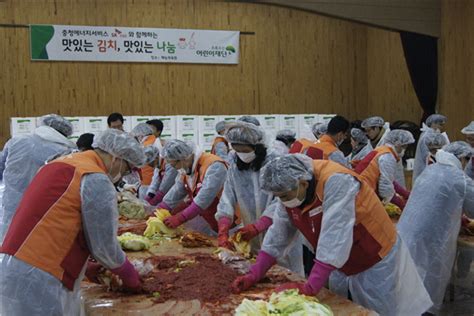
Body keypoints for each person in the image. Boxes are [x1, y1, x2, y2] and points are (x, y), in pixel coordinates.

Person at [232, 154, 432, 316]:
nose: (282, 201)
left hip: (375, 258)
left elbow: (334, 234)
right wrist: (254, 273)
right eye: (278, 198)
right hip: (342, 261)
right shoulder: (290, 189)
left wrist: (311, 286)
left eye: (284, 196)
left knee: (378, 311)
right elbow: (279, 233)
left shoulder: (336, 181)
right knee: (344, 308)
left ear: (302, 182)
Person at [0, 129, 146, 315]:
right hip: (40, 276)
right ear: (116, 157)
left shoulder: (63, 162)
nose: (123, 175)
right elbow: (103, 245)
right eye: (126, 169)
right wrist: (127, 273)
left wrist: (88, 267)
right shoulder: (94, 177)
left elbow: (58, 221)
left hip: (16, 265)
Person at [215, 122, 303, 275]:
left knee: (286, 275)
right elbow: (227, 197)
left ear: (257, 146)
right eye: (237, 150)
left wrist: (260, 225)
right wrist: (223, 227)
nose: (241, 155)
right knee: (259, 276)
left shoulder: (276, 162)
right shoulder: (236, 166)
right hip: (252, 236)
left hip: (280, 231)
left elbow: (282, 201)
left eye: (245, 150)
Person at [398, 142, 474, 314]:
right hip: (429, 238)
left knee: (407, 283)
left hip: (407, 232)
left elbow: (437, 203)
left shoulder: (431, 169)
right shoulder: (458, 178)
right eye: (466, 160)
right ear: (461, 158)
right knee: (427, 282)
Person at [0, 114, 76, 244]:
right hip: (43, 211)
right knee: (32, 247)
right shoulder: (66, 151)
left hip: (10, 205)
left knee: (8, 242)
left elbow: (1, 166)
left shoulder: (17, 141)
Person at [156, 140, 228, 234]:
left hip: (229, 221)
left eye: (174, 165)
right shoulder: (187, 168)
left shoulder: (214, 166)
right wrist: (158, 211)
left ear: (183, 158)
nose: (175, 168)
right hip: (211, 221)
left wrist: (181, 217)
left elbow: (204, 199)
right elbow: (176, 192)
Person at [356, 130, 414, 209]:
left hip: (360, 190)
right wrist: (403, 206)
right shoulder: (387, 156)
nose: (404, 150)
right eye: (404, 146)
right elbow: (385, 189)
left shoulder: (382, 149)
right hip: (362, 193)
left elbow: (389, 180)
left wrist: (406, 194)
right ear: (397, 144)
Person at [412, 114, 448, 184]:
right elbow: (428, 157)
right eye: (440, 125)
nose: (441, 127)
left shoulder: (429, 135)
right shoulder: (427, 137)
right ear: (433, 123)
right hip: (424, 171)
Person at [130, 123, 156, 188]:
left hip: (147, 182)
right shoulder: (156, 141)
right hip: (155, 181)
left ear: (140, 135)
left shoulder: (144, 146)